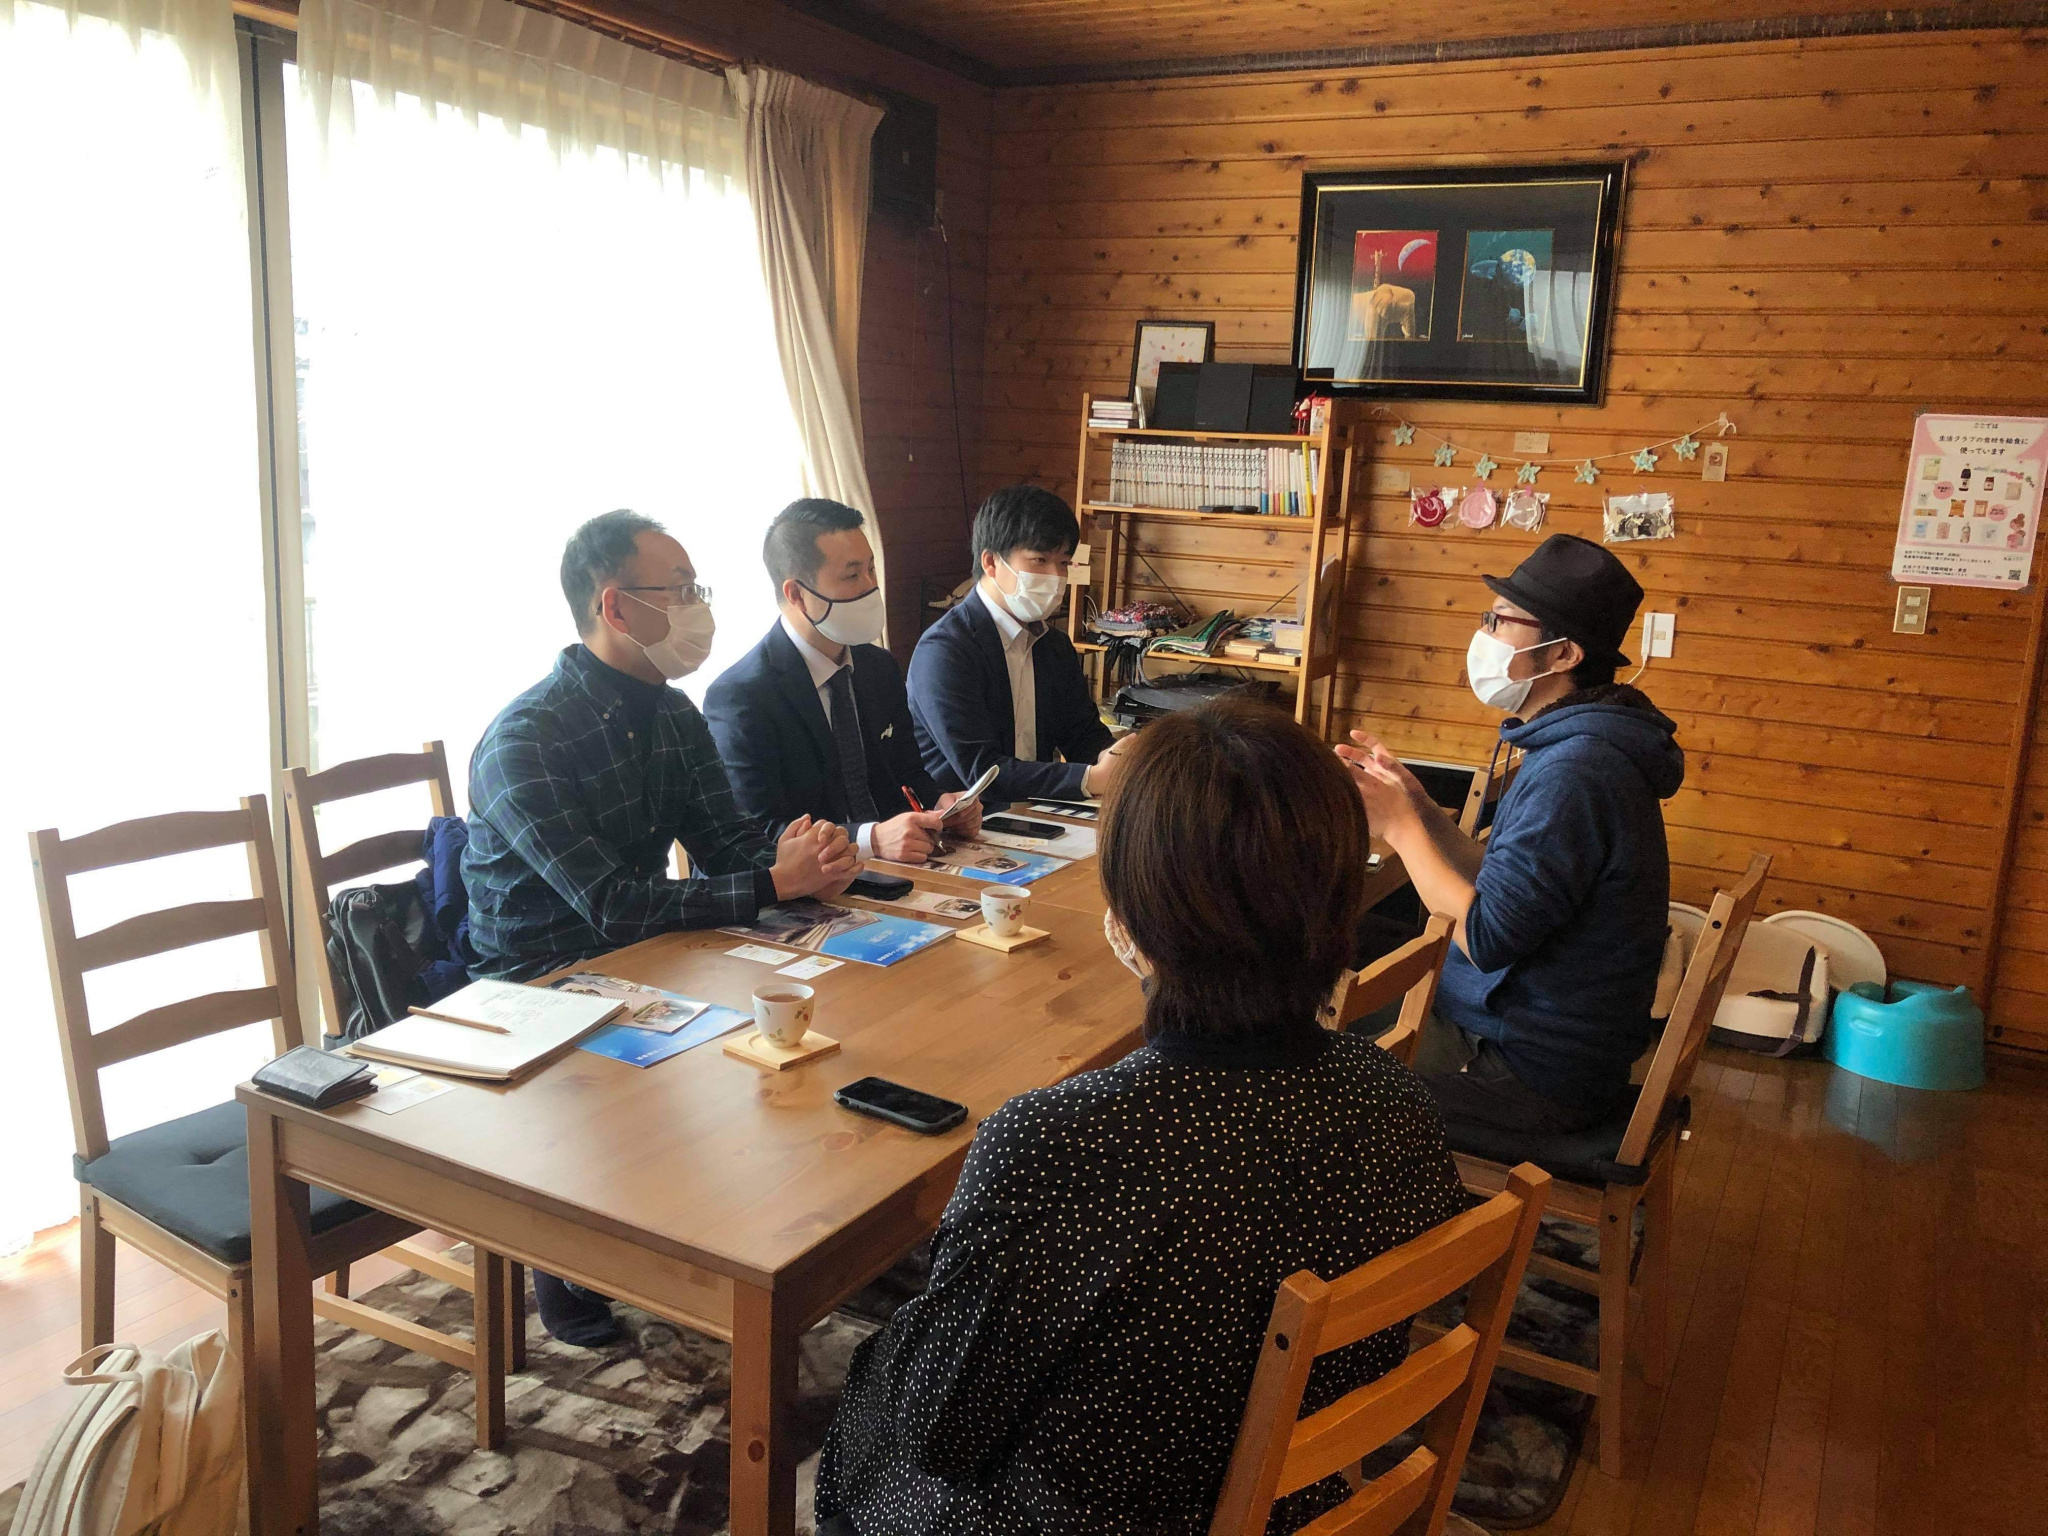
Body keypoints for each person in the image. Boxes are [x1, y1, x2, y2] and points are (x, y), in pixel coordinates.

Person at [817, 697, 1464, 1536]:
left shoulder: (1058, 1143)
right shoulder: (1397, 1097)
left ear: (1131, 921)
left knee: (869, 1422)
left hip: (1087, 1516)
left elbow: (941, 1434)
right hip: (1291, 1496)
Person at [462, 509, 859, 1347]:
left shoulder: (673, 714)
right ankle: (564, 1240)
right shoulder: (523, 741)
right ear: (616, 607)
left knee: (820, 1024)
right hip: (537, 980)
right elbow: (606, 902)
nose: (696, 607)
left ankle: (771, 1228)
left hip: (647, 952)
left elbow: (725, 843)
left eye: (694, 588)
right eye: (678, 591)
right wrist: (768, 881)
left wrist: (803, 854)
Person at [1341, 533, 1684, 1138]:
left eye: (1499, 622)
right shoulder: (1580, 745)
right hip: (1538, 1041)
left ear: (1562, 655)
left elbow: (1486, 938)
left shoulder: (1578, 770)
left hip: (1529, 1071)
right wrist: (1420, 808)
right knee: (1331, 1012)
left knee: (1304, 1072)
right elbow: (1504, 887)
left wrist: (1397, 824)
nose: (1485, 635)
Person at [704, 498, 981, 868]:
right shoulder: (741, 696)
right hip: (816, 882)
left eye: (871, 569)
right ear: (797, 594)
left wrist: (941, 806)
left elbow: (908, 774)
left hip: (903, 870)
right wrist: (870, 839)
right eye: (852, 576)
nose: (871, 587)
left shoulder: (878, 666)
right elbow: (760, 830)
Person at [907, 485, 1126, 804]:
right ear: (991, 562)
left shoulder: (1054, 646)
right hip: (966, 821)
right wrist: (1089, 778)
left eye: (1064, 563)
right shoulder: (945, 649)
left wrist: (1120, 759)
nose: (1055, 577)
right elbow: (982, 772)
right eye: (1039, 560)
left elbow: (1083, 736)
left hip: (1037, 813)